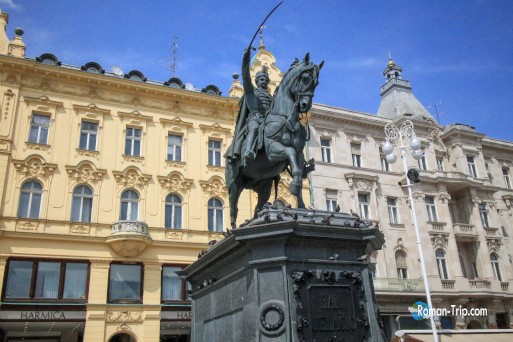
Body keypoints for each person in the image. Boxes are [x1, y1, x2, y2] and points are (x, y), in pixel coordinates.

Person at [225, 48, 274, 166]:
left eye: (265, 80)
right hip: (255, 118)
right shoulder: (252, 92)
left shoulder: (271, 97)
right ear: (256, 81)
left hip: (268, 121)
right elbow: (246, 77)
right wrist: (246, 59)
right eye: (261, 79)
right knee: (254, 128)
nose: (264, 81)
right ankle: (248, 151)